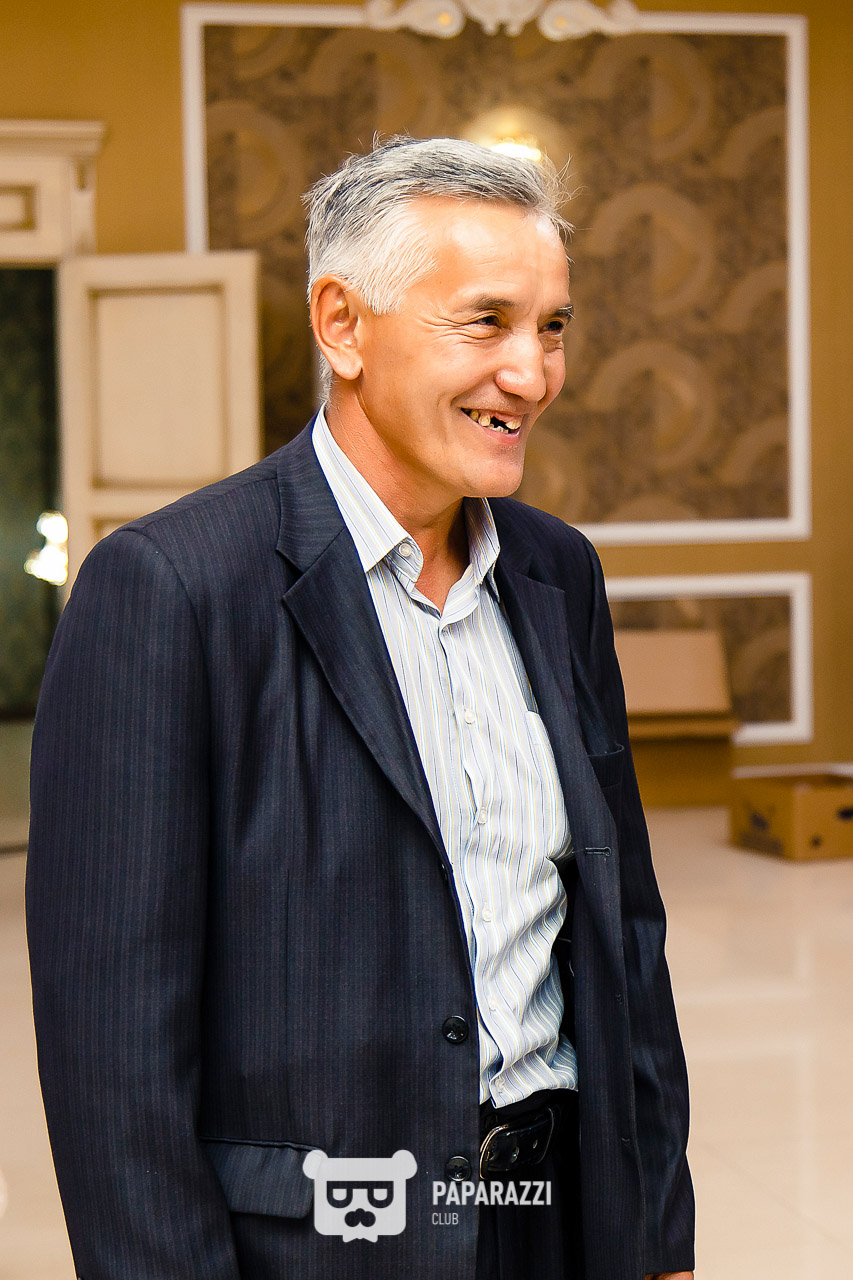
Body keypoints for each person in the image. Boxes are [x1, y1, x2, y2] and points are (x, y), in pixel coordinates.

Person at [27, 136, 694, 1280]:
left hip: (556, 1220)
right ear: (342, 324)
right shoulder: (171, 588)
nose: (531, 373)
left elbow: (623, 935)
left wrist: (657, 1237)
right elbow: (113, 1055)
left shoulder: (557, 573)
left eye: (552, 327)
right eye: (485, 322)